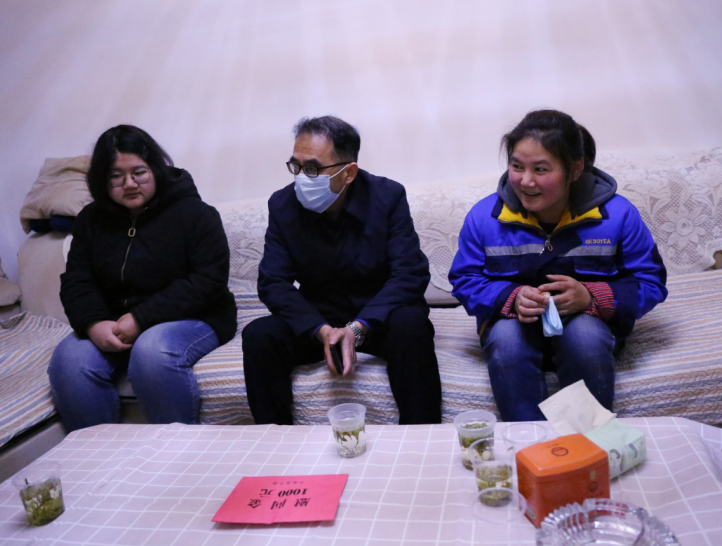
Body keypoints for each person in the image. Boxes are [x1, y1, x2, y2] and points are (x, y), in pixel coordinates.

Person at [449, 109, 667, 421]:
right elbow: (465, 279)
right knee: (508, 341)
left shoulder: (617, 215)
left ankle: (586, 441)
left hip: (590, 324)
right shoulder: (485, 218)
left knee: (584, 338)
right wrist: (511, 298)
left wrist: (591, 297)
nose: (526, 181)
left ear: (575, 168)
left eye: (540, 169)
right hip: (511, 324)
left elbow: (650, 281)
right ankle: (529, 443)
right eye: (516, 166)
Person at [242, 115, 442, 425]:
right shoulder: (282, 204)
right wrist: (321, 330)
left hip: (378, 318)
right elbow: (273, 282)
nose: (301, 178)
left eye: (312, 169)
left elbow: (410, 273)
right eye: (296, 166)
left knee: (411, 324)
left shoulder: (387, 196)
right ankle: (276, 437)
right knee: (259, 335)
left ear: (348, 172)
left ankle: (421, 434)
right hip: (319, 320)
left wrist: (357, 328)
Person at [49, 125, 236, 431]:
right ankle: (100, 455)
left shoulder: (196, 214)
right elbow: (77, 281)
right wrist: (94, 324)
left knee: (152, 351)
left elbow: (207, 281)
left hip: (194, 318)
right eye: (116, 176)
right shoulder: (90, 220)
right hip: (114, 323)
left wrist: (140, 318)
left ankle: (177, 452)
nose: (129, 184)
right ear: (101, 179)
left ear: (156, 169)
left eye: (139, 172)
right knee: (69, 360)